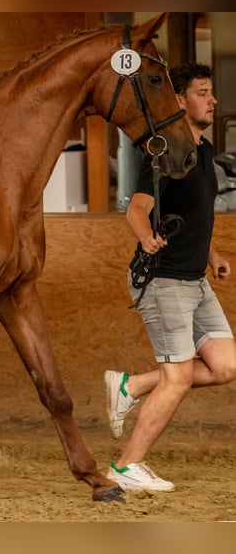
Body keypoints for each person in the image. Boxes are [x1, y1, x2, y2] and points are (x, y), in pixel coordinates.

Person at [104, 63, 236, 492]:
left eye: (211, 92)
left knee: (226, 365)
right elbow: (136, 209)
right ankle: (126, 468)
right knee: (177, 378)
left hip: (195, 280)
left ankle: (133, 385)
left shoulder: (206, 150)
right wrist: (145, 238)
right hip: (164, 281)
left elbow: (196, 216)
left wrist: (212, 255)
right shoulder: (163, 153)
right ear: (179, 101)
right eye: (202, 92)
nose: (212, 100)